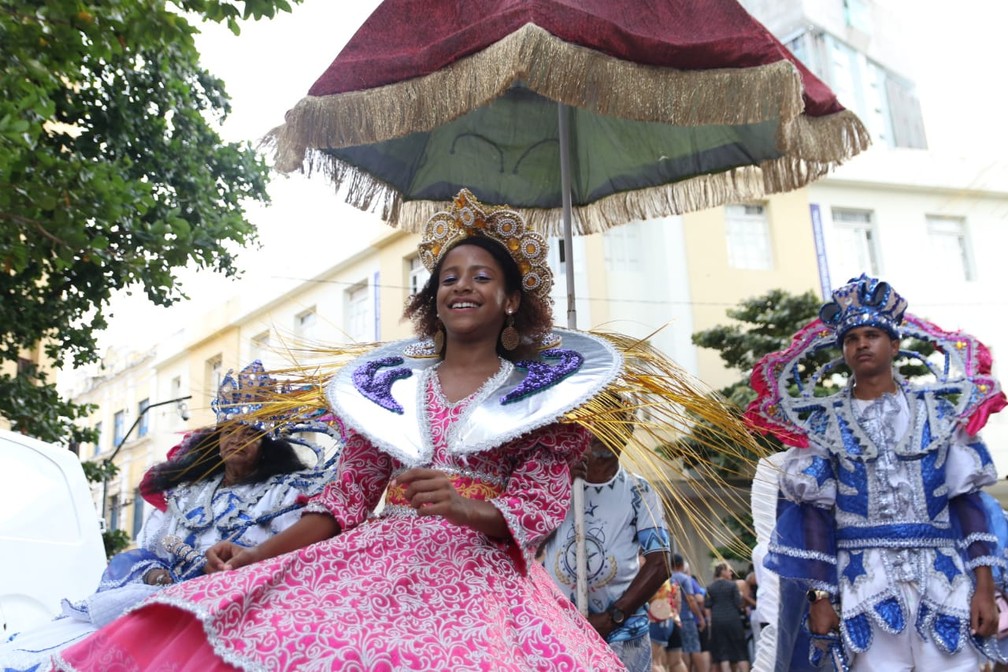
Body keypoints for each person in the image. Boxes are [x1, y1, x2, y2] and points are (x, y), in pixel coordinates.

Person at [53, 188, 629, 671]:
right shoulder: (389, 393)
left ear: (510, 301)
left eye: (481, 277)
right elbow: (344, 500)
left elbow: (536, 511)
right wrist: (255, 556)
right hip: (377, 561)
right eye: (448, 277)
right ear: (434, 298)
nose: (462, 286)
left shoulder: (539, 403)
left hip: (484, 580)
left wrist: (464, 506)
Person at [1, 360, 336, 671]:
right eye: (231, 430)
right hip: (157, 599)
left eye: (251, 433)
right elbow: (148, 548)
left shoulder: (284, 493)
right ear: (217, 437)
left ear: (269, 444)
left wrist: (233, 569)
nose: (238, 440)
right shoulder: (188, 490)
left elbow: (291, 557)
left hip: (228, 609)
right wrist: (156, 576)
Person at [749, 274, 1007, 671]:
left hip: (944, 582)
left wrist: (985, 589)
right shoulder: (824, 426)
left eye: (872, 334)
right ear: (844, 351)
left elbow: (968, 503)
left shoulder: (940, 416)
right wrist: (820, 599)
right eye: (852, 339)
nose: (862, 344)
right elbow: (814, 516)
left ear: (896, 345)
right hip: (862, 586)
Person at [541, 404, 673, 672]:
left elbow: (660, 564)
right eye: (596, 425)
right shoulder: (556, 485)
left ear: (626, 434)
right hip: (560, 628)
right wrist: (557, 492)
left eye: (615, 425)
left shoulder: (640, 491)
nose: (604, 433)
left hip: (623, 634)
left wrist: (614, 617)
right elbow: (529, 548)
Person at [705, 562, 750, 672]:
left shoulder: (710, 587)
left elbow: (707, 606)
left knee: (723, 652)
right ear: (723, 571)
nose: (731, 572)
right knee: (740, 651)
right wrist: (740, 596)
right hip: (733, 620)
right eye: (729, 570)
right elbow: (738, 603)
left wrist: (709, 623)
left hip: (717, 621)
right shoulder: (732, 585)